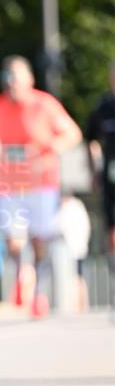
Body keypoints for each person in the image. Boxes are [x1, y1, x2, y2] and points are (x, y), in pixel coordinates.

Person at [0, 56, 82, 317]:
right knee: (14, 242)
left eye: (15, 77)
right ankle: (23, 275)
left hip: (41, 183)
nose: (11, 83)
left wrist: (47, 151)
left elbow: (72, 134)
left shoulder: (44, 104)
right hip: (9, 184)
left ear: (29, 79)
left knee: (40, 240)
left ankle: (38, 292)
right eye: (7, 78)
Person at [85, 62, 115, 317]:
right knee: (112, 235)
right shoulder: (103, 108)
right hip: (111, 181)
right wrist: (94, 170)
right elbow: (91, 140)